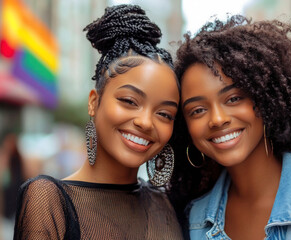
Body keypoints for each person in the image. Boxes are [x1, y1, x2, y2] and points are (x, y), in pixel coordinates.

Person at [169, 15, 291, 239]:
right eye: (197, 110)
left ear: (266, 99)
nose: (218, 119)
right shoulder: (193, 219)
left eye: (233, 99)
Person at [14, 4, 183, 239]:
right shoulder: (49, 199)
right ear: (94, 102)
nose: (145, 122)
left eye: (164, 114)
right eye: (129, 101)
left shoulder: (168, 204)